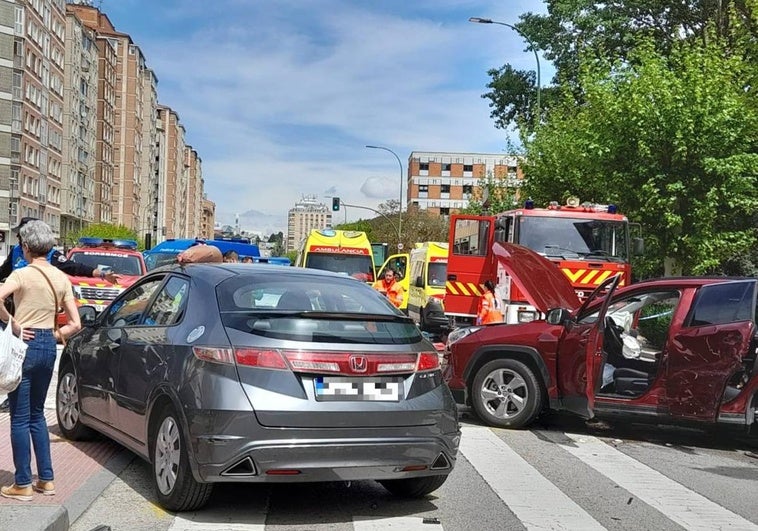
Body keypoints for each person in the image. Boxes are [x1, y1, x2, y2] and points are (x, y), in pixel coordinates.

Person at [0, 217, 117, 412]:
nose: (20, 238)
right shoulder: (15, 252)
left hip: (37, 326)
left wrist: (101, 274)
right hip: (15, 317)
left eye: (22, 234)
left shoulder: (50, 256)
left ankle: (16, 400)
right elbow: (3, 272)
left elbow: (75, 267)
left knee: (26, 413)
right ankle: (11, 396)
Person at [0, 220, 81, 501]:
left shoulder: (22, 274)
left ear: (25, 246)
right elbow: (76, 323)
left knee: (19, 417)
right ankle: (46, 479)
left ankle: (22, 482)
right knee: (36, 415)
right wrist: (57, 335)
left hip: (25, 344)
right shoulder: (60, 278)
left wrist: (13, 323)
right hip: (48, 345)